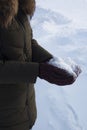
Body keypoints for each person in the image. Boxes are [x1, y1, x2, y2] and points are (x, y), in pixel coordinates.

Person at [0, 0, 81, 130]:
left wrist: (52, 62)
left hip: (23, 113)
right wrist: (38, 71)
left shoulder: (21, 4)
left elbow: (27, 44)